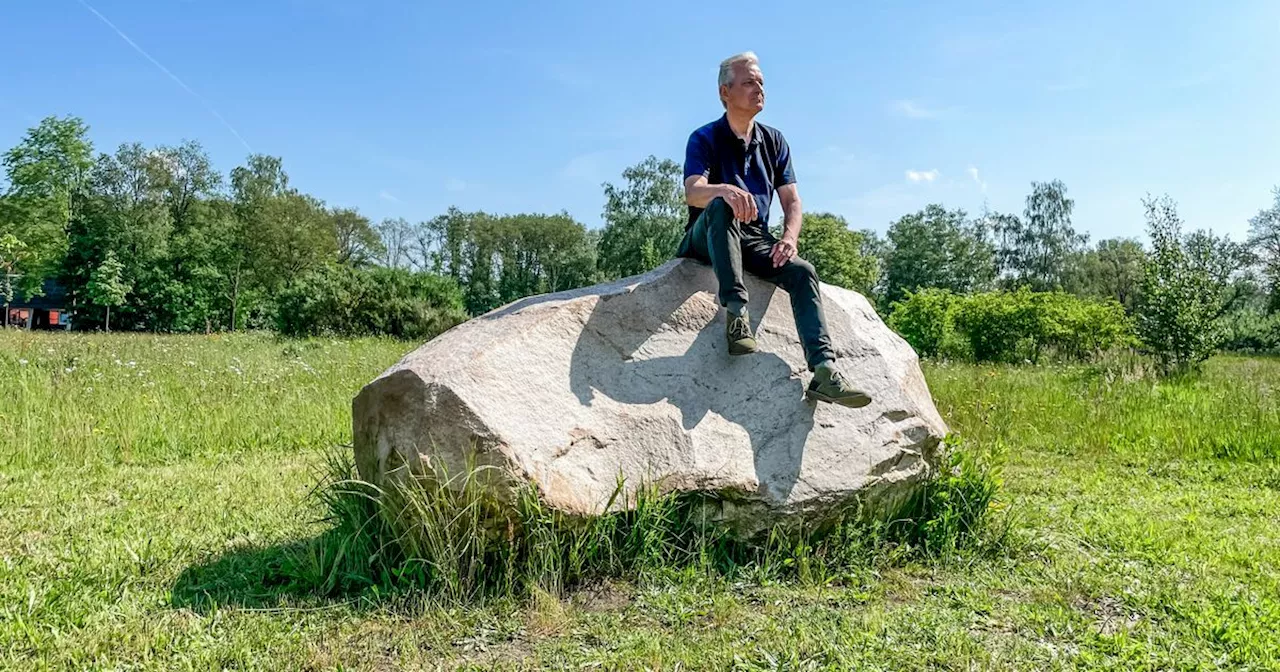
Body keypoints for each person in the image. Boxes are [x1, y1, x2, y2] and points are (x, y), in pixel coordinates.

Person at [676, 51, 871, 408]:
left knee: (802, 271)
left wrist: (788, 239)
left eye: (761, 82)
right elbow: (693, 192)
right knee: (721, 205)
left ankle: (824, 373)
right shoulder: (703, 137)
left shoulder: (775, 141)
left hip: (755, 238)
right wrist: (724, 189)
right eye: (749, 82)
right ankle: (736, 316)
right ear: (725, 92)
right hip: (707, 235)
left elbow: (792, 203)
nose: (759, 89)